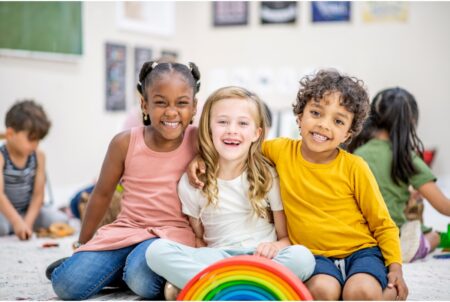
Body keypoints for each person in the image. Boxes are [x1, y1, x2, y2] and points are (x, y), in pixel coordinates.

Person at [188, 70, 408, 300]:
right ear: (300, 116)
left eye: (338, 121)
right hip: (315, 256)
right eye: (315, 113)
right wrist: (201, 157)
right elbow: (238, 149)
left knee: (360, 292)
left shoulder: (355, 167)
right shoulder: (279, 150)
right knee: (321, 291)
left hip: (361, 251)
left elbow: (383, 223)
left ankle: (387, 296)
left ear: (348, 134)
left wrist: (395, 267)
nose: (323, 125)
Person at [48, 61, 201, 300]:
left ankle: (122, 272)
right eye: (160, 102)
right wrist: (83, 244)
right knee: (65, 285)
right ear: (144, 104)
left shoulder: (200, 141)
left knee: (141, 279)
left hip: (170, 239)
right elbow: (101, 194)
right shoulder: (124, 143)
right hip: (127, 230)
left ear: (194, 107)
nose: (171, 112)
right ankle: (116, 270)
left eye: (182, 103)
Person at [146, 86, 315, 300]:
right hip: (218, 258)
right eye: (222, 122)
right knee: (155, 251)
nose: (232, 130)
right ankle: (245, 288)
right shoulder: (192, 182)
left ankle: (218, 289)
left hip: (261, 257)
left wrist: (274, 247)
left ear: (256, 133)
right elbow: (199, 238)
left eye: (242, 123)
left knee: (303, 257)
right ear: (208, 129)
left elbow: (285, 238)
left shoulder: (268, 175)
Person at [348, 87, 450, 262]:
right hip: (393, 234)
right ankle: (415, 246)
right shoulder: (406, 159)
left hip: (360, 236)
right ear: (410, 121)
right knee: (434, 235)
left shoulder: (356, 153)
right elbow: (444, 207)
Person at [0, 100, 68, 240]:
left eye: (38, 140)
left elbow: (38, 196)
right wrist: (16, 222)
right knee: (2, 227)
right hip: (4, 213)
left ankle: (18, 228)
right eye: (31, 140)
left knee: (61, 220)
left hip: (27, 212)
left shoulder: (39, 156)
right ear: (11, 134)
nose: (35, 145)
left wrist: (27, 223)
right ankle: (13, 227)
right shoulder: (1, 156)